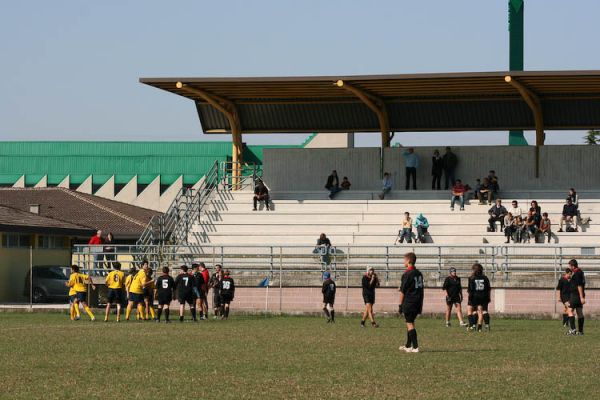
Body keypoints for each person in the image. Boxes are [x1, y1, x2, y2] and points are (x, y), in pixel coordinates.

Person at [398, 252, 424, 353]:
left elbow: (403, 291)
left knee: (409, 324)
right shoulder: (419, 273)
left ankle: (416, 347)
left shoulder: (407, 274)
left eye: (404, 260)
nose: (403, 262)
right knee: (410, 322)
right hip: (417, 301)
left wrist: (400, 305)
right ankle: (408, 345)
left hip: (409, 301)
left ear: (408, 261)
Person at [467, 263, 491, 332]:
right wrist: (488, 297)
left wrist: (470, 297)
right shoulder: (485, 278)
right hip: (484, 296)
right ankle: (481, 327)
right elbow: (488, 289)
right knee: (482, 311)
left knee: (472, 311)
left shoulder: (471, 278)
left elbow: (470, 290)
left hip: (475, 296)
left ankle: (472, 326)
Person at [566, 259, 586, 335]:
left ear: (573, 266)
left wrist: (581, 297)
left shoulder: (577, 273)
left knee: (569, 310)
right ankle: (580, 331)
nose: (569, 267)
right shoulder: (580, 272)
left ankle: (573, 330)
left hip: (575, 295)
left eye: (569, 266)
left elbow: (579, 285)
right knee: (579, 312)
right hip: (578, 295)